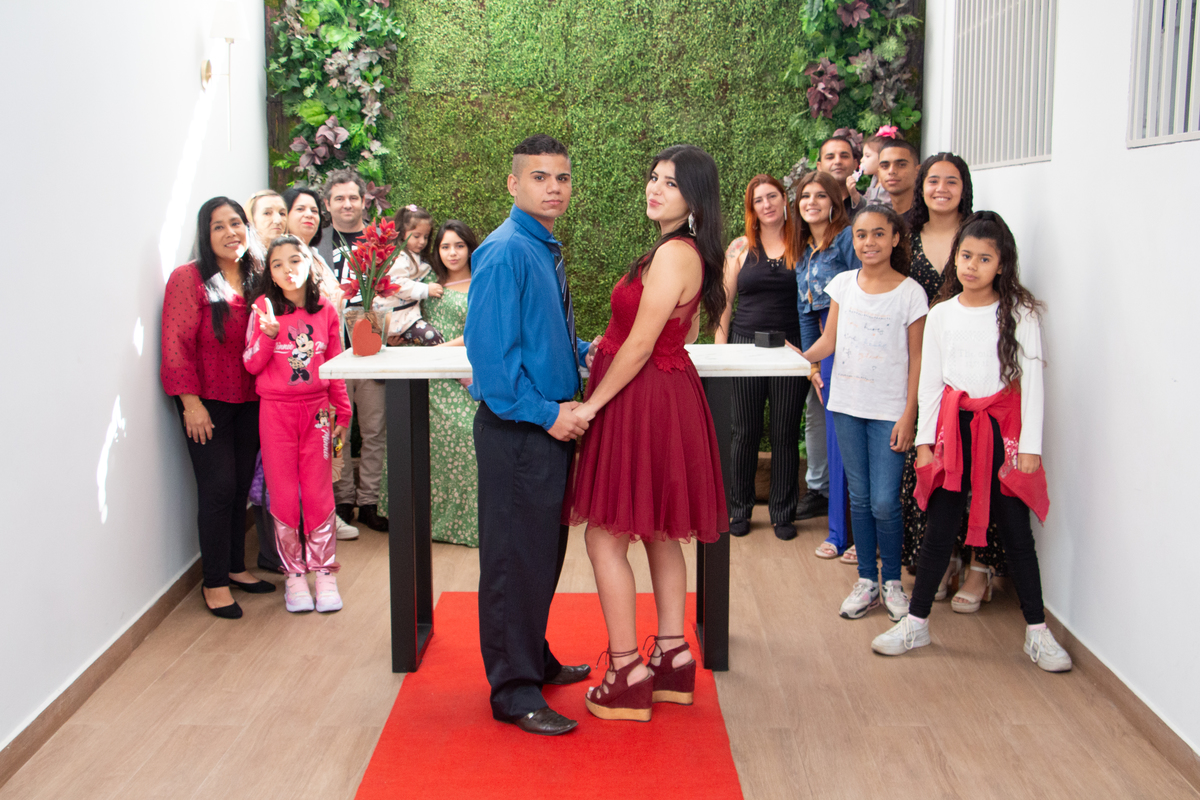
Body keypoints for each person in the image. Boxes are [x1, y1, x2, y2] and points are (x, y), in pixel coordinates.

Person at [871, 212, 1072, 674]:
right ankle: (916, 623)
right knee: (940, 528)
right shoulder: (942, 314)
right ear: (955, 259)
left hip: (1002, 430)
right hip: (953, 432)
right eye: (966, 256)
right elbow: (930, 384)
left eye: (984, 258)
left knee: (1015, 529)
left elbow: (1033, 383)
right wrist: (925, 441)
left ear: (1002, 265)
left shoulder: (1020, 314)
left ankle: (1037, 631)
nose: (972, 266)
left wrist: (1030, 447)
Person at [568, 144, 728, 722]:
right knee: (659, 530)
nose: (655, 189)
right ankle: (672, 658)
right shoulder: (679, 250)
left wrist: (591, 405)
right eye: (653, 177)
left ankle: (626, 672)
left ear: (695, 198)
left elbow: (640, 343)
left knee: (605, 538)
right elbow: (659, 335)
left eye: (671, 183)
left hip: (643, 397)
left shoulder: (674, 253)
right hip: (660, 395)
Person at [464, 134, 593, 736]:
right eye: (540, 177)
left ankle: (532, 660)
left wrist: (585, 351)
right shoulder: (504, 251)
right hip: (521, 430)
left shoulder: (541, 246)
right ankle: (513, 691)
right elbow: (492, 366)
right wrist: (548, 415)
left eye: (562, 177)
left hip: (544, 427)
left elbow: (537, 335)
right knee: (513, 562)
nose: (554, 188)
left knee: (538, 556)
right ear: (514, 184)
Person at [795, 206, 928, 622]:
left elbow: (918, 359)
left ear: (895, 239)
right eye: (861, 235)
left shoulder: (911, 293)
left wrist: (909, 415)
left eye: (878, 234)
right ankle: (867, 581)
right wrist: (799, 357)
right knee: (861, 497)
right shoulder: (842, 285)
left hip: (889, 411)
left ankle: (893, 582)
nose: (869, 242)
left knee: (885, 501)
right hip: (846, 406)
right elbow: (829, 341)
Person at [898, 153, 1004, 607]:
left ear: (965, 188)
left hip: (975, 378)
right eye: (933, 180)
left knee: (982, 476)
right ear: (921, 186)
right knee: (934, 472)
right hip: (923, 366)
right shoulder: (905, 238)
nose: (941, 188)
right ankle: (942, 559)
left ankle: (979, 567)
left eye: (952, 181)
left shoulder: (979, 233)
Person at [161, 197, 273, 619]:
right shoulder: (188, 278)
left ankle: (234, 567)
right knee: (219, 488)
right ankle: (214, 582)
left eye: (236, 223)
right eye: (219, 226)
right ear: (205, 235)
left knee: (241, 486)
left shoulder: (258, 276)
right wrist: (190, 404)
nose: (231, 233)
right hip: (206, 402)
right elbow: (175, 344)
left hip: (251, 399)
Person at [244, 236, 352, 613]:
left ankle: (324, 572)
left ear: (309, 263)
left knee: (319, 492)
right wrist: (269, 336)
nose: (288, 269)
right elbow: (251, 364)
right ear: (270, 273)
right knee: (284, 493)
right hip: (276, 413)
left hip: (318, 414)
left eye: (295, 260)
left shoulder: (326, 310)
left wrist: (343, 412)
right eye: (277, 264)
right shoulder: (263, 308)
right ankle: (293, 575)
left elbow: (335, 365)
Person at [379, 220, 480, 546]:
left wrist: (439, 351)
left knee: (469, 438)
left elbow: (478, 333)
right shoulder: (423, 282)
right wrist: (391, 335)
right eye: (445, 246)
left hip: (459, 377)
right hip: (420, 376)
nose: (453, 253)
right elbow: (396, 313)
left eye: (459, 245)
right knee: (411, 442)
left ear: (470, 249)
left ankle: (464, 525)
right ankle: (415, 521)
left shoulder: (481, 284)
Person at [714, 175, 803, 540]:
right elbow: (724, 302)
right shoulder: (740, 247)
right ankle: (739, 510)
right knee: (744, 432)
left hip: (790, 351)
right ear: (751, 208)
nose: (766, 205)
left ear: (784, 200)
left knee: (785, 433)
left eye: (772, 197)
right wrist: (721, 347)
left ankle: (783, 514)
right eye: (758, 200)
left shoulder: (803, 245)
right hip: (744, 347)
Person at [281, 184, 358, 542]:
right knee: (308, 453)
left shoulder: (315, 257)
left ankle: (322, 518)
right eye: (300, 209)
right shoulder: (286, 262)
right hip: (302, 374)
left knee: (327, 446)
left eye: (313, 209)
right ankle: (308, 525)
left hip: (329, 365)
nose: (309, 215)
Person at [317, 169, 388, 533]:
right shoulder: (316, 247)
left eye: (353, 198)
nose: (347, 204)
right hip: (332, 353)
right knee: (338, 428)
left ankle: (370, 501)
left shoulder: (378, 243)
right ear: (327, 204)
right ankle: (343, 498)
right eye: (339, 198)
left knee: (375, 429)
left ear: (364, 202)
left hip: (372, 349)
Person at [793, 171, 860, 558]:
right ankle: (838, 533)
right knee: (835, 442)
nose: (812, 202)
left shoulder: (847, 239)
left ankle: (858, 536)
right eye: (805, 196)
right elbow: (805, 315)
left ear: (835, 201)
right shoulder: (803, 252)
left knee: (851, 443)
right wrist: (814, 367)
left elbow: (866, 290)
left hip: (854, 346)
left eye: (820, 195)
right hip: (824, 353)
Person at [383, 204, 444, 346]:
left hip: (404, 317)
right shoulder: (398, 256)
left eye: (426, 237)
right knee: (432, 337)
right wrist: (426, 289)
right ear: (402, 232)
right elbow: (397, 284)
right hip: (397, 318)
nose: (422, 242)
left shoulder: (412, 256)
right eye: (416, 236)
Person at [817, 136, 862, 217]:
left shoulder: (867, 202)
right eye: (830, 157)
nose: (837, 161)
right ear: (819, 166)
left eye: (844, 156)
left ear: (855, 164)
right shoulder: (812, 205)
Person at [877, 140, 921, 215]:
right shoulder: (879, 218)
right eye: (885, 166)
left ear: (917, 171)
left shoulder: (931, 216)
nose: (891, 171)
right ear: (878, 173)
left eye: (901, 165)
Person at [859, 129, 900, 207]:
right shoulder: (875, 178)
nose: (862, 160)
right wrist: (853, 193)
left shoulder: (889, 183)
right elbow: (866, 202)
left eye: (867, 156)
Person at [246, 190, 287, 256]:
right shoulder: (243, 257)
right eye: (267, 213)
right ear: (251, 218)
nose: (278, 220)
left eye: (282, 213)